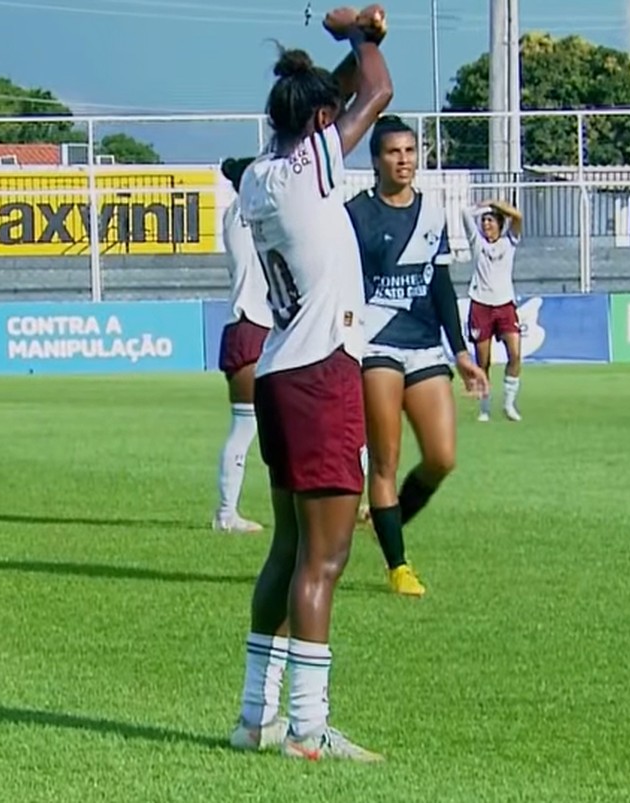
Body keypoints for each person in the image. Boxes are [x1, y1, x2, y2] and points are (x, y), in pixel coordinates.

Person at [228, 5, 393, 762]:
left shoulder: (258, 178)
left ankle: (253, 714)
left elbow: (344, 101)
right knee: (325, 561)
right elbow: (379, 92)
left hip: (279, 370)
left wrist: (336, 54)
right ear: (320, 119)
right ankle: (306, 725)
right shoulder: (312, 165)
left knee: (287, 550)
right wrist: (361, 32)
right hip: (325, 369)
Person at [346, 116, 488, 598]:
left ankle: (385, 521)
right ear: (375, 160)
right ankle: (398, 565)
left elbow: (442, 285)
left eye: (409, 151)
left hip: (425, 345)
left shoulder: (432, 212)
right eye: (393, 152)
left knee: (442, 458)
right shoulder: (356, 213)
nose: (403, 160)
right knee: (384, 463)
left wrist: (462, 352)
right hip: (376, 344)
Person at [213, 156, 271, 534]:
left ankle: (226, 513)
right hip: (261, 325)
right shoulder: (261, 215)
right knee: (253, 428)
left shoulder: (232, 216)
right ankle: (225, 515)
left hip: (242, 327)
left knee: (245, 427)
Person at [462, 198, 524, 423]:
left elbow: (517, 216)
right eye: (484, 220)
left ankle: (509, 404)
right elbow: (464, 213)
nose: (486, 224)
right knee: (483, 361)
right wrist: (479, 207)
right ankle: (485, 407)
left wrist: (495, 203)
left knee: (515, 354)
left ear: (499, 223)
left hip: (505, 305)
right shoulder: (477, 243)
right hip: (481, 305)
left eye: (490, 220)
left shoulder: (509, 241)